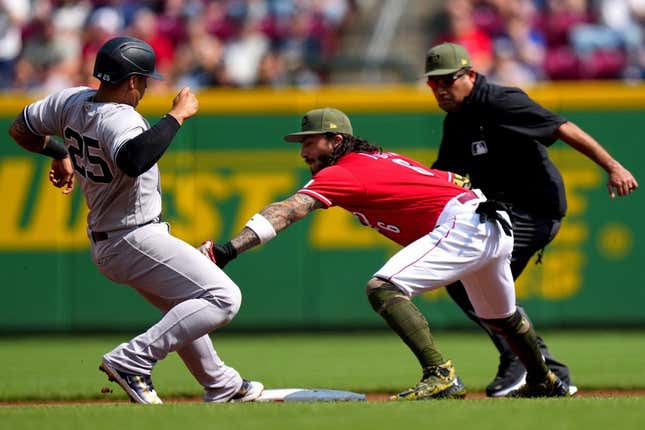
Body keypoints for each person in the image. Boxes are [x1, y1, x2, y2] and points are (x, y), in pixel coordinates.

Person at [199, 107, 572, 399]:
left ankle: (439, 373)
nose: (303, 151)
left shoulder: (343, 172)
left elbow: (287, 210)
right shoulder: (379, 160)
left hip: (465, 223)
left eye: (309, 141)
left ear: (334, 139)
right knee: (502, 317)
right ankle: (544, 380)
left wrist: (229, 249)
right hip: (489, 222)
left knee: (383, 287)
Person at [8, 36, 263, 404]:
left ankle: (221, 384)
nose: (144, 88)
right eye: (144, 81)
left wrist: (58, 151)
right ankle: (132, 360)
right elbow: (133, 159)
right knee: (223, 297)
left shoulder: (69, 100)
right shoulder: (121, 118)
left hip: (113, 238)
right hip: (134, 236)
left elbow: (20, 129)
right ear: (131, 81)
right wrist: (176, 116)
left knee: (184, 308)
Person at [423, 42, 639, 397]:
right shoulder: (457, 121)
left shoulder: (501, 101)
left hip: (536, 210)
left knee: (475, 280)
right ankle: (550, 372)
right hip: (503, 213)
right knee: (470, 284)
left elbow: (563, 127)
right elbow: (444, 175)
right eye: (434, 83)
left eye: (448, 79)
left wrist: (613, 167)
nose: (441, 89)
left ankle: (517, 360)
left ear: (471, 75)